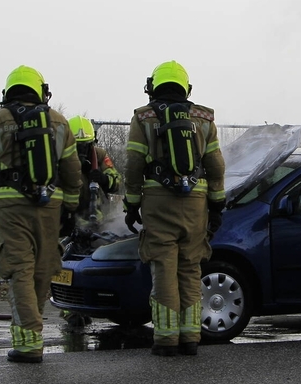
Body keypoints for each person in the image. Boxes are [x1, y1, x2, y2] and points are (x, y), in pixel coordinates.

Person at [0, 66, 82, 363]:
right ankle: (33, 330)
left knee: (20, 268)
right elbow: (72, 171)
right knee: (43, 266)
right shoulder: (59, 122)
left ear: (8, 91)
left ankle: (28, 343)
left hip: (11, 204)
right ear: (41, 91)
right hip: (50, 204)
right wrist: (70, 207)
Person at [124, 60, 226, 356]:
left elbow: (133, 165)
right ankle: (191, 337)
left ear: (152, 87)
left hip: (158, 200)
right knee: (191, 268)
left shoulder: (143, 118)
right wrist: (217, 204)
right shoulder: (204, 118)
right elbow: (216, 165)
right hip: (196, 202)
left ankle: (166, 339)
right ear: (186, 87)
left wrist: (132, 204)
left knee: (164, 267)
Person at [68, 115, 121, 224]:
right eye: (77, 146)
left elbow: (117, 182)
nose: (81, 151)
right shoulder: (61, 158)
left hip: (100, 218)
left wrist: (104, 179)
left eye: (85, 145)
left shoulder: (99, 155)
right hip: (70, 218)